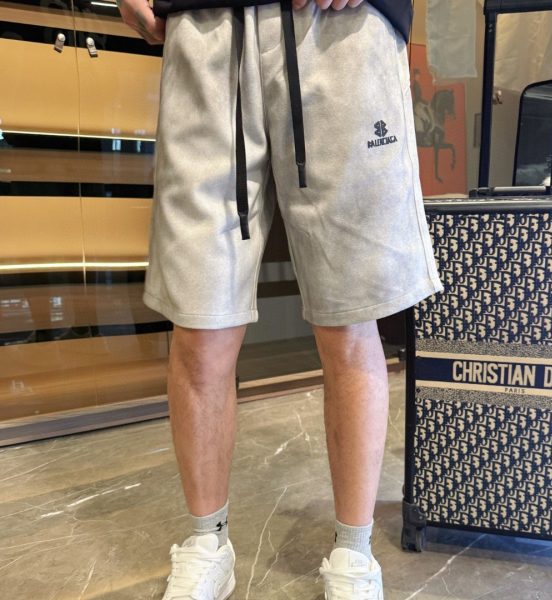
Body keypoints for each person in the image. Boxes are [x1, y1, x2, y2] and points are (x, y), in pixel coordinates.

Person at [118, 0, 443, 598]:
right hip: (205, 25)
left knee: (350, 317)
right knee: (200, 320)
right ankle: (207, 541)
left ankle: (354, 552)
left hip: (341, 25)